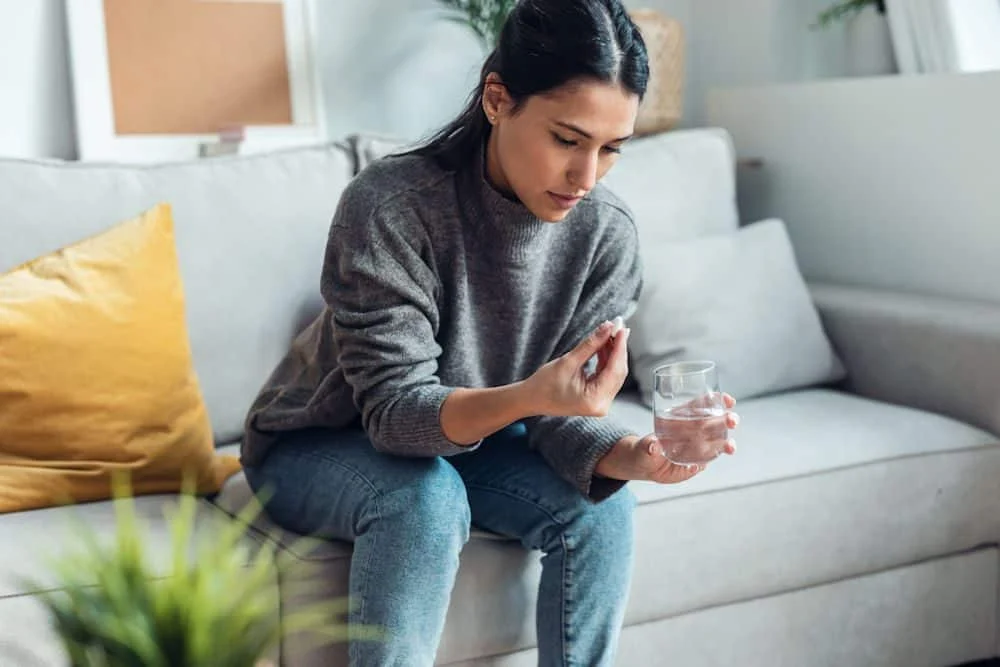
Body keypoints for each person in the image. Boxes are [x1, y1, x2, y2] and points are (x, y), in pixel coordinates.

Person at [240, 0, 738, 664]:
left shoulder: (606, 234)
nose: (586, 177)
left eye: (611, 148)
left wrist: (634, 455)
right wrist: (533, 397)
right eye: (567, 139)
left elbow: (562, 419)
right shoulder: (391, 207)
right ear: (497, 98)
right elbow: (392, 414)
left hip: (469, 443)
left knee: (605, 506)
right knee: (424, 497)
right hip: (319, 441)